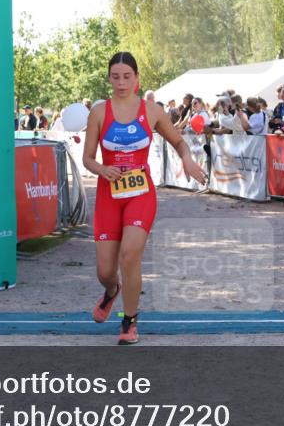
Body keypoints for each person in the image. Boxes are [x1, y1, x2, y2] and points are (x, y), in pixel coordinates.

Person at [82, 51, 207, 345]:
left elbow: (178, 141)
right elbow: (87, 158)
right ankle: (112, 291)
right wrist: (102, 168)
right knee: (104, 271)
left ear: (137, 78)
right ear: (109, 78)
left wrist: (187, 159)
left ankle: (130, 321)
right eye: (115, 77)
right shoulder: (99, 112)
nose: (121, 82)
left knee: (130, 255)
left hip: (140, 194)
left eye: (127, 76)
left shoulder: (151, 111)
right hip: (108, 195)